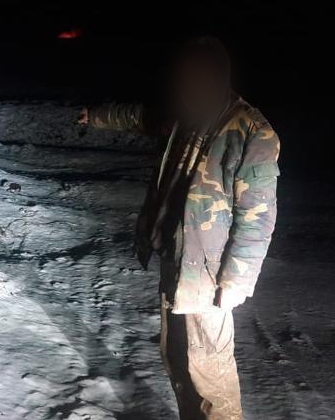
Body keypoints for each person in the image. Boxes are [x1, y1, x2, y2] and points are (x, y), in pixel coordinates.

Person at [79, 36, 280, 420]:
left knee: (210, 374)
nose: (185, 87)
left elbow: (258, 216)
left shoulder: (253, 131)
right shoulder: (187, 115)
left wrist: (236, 281)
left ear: (216, 77)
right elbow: (141, 117)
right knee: (176, 360)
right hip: (176, 260)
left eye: (194, 78)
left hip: (209, 278)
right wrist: (97, 115)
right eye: (183, 79)